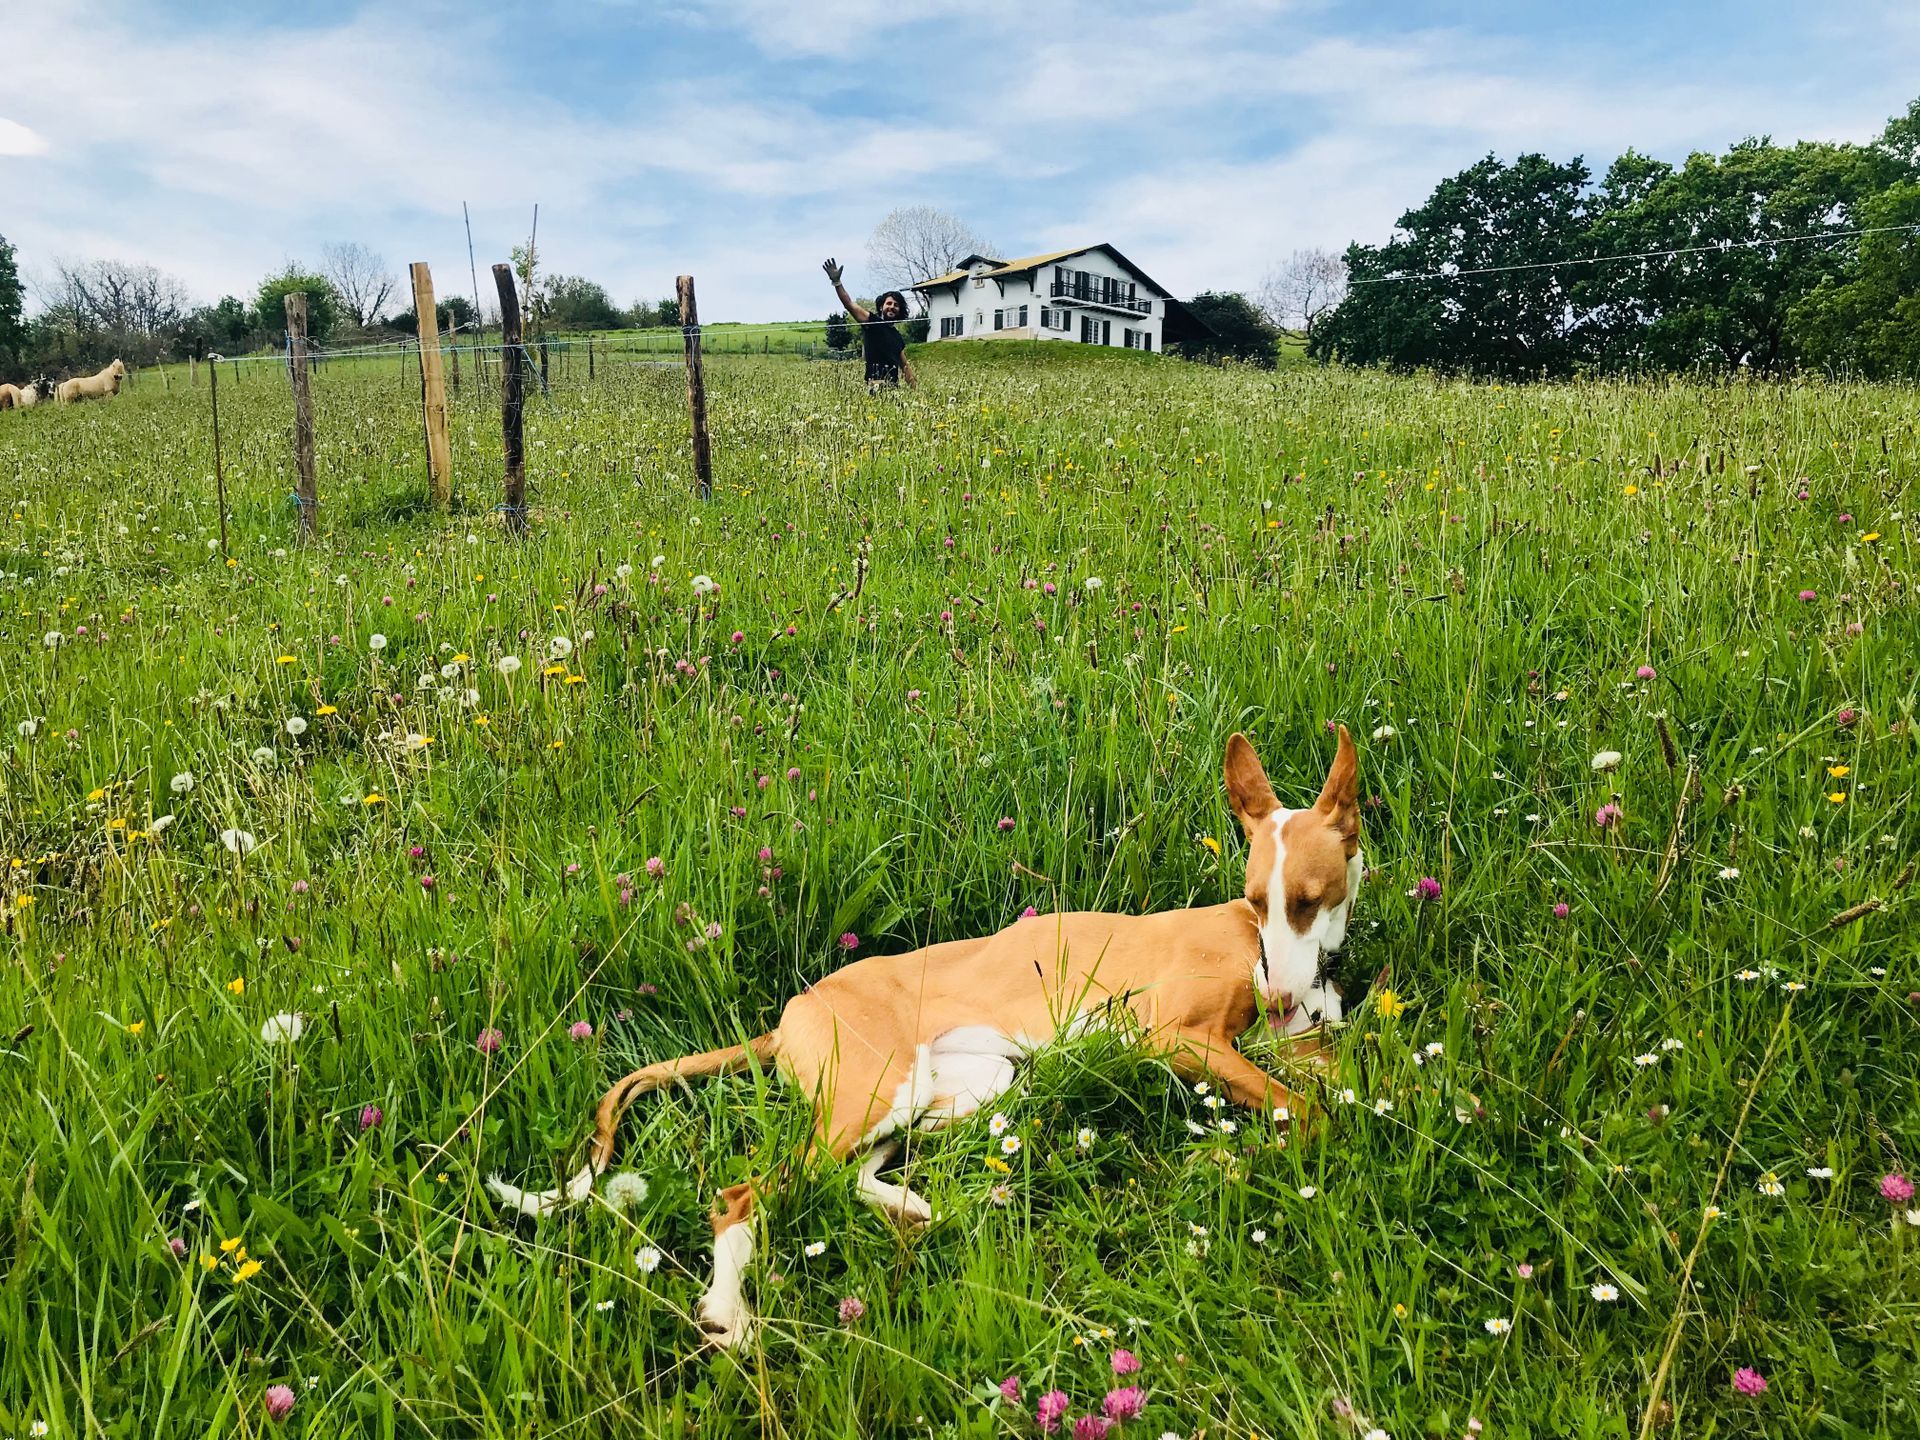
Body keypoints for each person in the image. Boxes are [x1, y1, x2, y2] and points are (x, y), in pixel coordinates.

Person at [823, 259, 916, 389]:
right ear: (881, 307)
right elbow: (849, 304)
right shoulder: (872, 322)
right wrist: (837, 282)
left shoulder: (897, 337)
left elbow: (905, 367)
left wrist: (916, 392)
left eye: (896, 305)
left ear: (900, 310)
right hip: (875, 385)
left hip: (894, 388)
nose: (892, 307)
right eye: (889, 303)